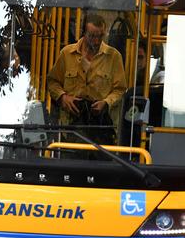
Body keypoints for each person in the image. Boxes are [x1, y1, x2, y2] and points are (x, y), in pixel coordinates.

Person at [46, 13, 127, 143]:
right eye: (92, 36)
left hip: (102, 128)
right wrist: (63, 97)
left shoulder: (113, 56)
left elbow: (120, 90)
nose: (96, 40)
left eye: (100, 36)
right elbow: (52, 82)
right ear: (83, 33)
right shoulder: (67, 54)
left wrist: (106, 102)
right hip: (71, 127)